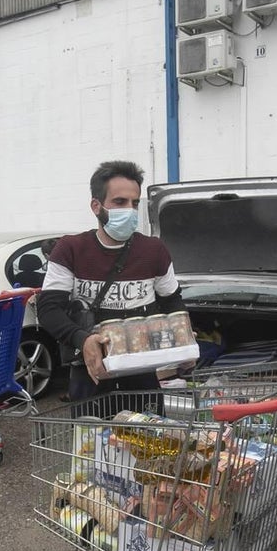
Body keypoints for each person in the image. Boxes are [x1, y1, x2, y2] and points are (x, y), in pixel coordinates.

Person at [38, 160, 186, 405]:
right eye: (120, 202)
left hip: (142, 375)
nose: (129, 210)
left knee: (149, 441)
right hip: (91, 374)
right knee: (92, 441)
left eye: (134, 203)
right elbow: (49, 309)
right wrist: (82, 339)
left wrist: (182, 336)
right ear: (97, 206)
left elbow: (172, 301)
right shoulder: (70, 249)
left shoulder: (154, 250)